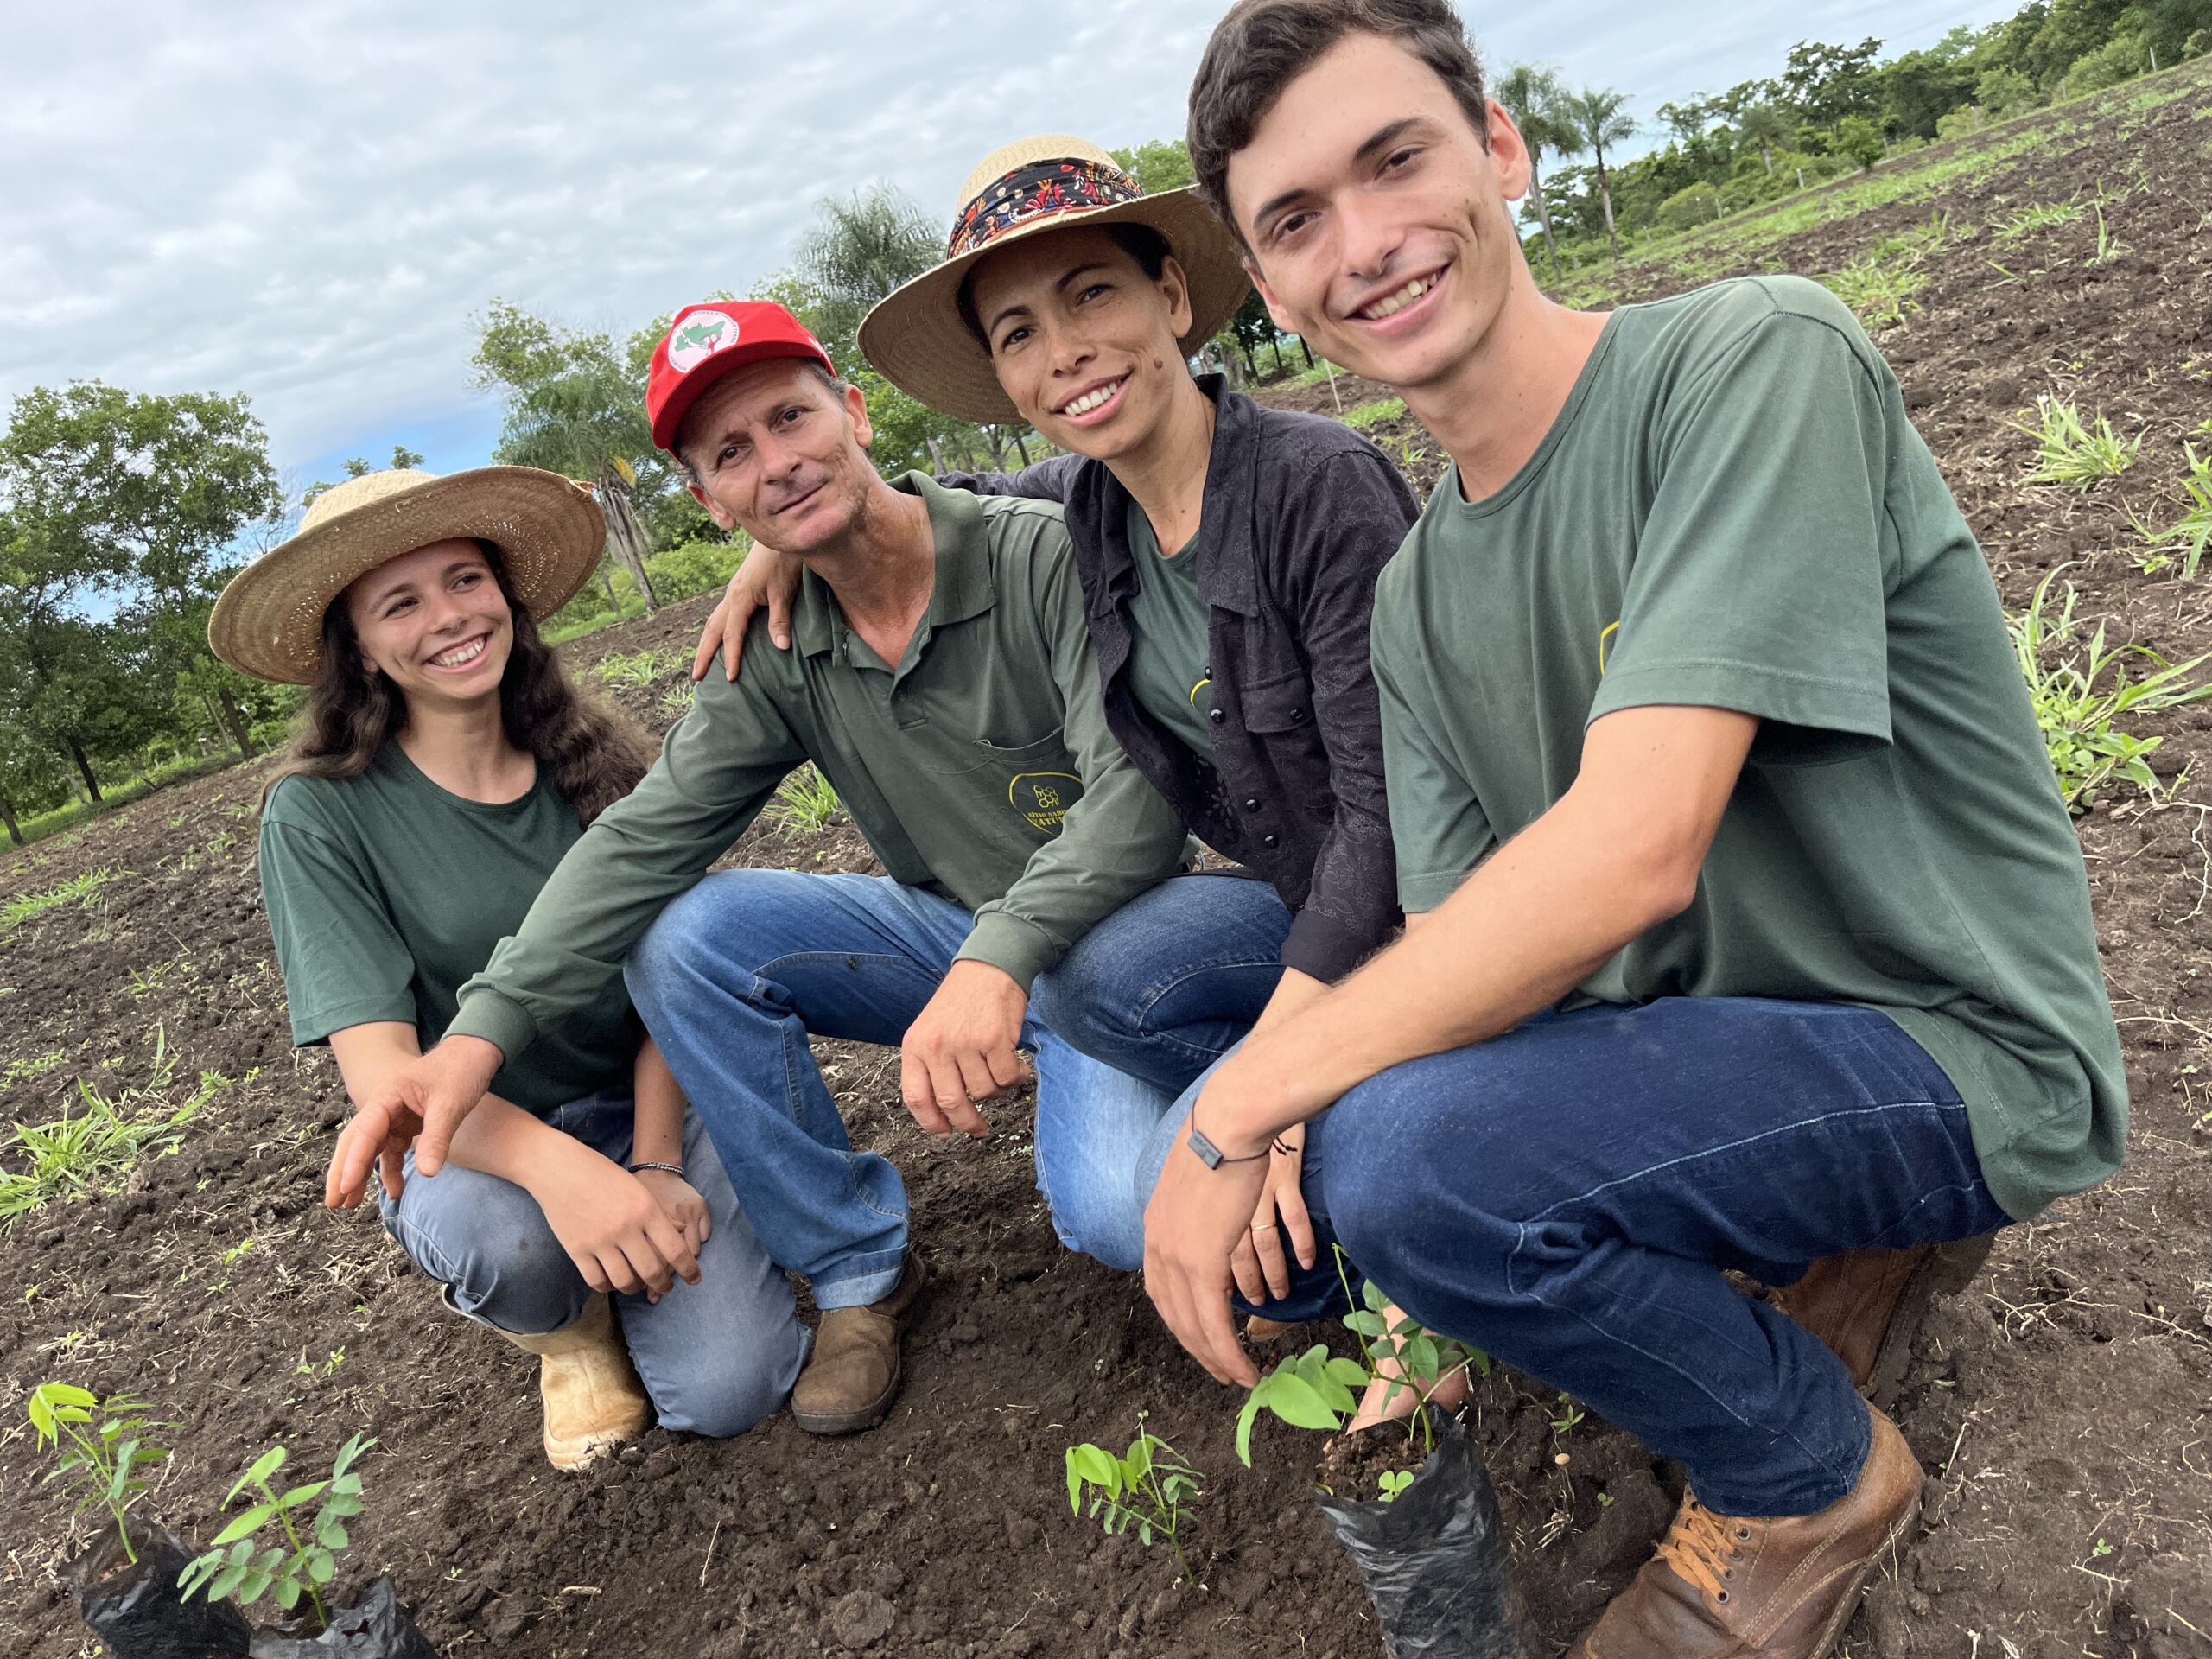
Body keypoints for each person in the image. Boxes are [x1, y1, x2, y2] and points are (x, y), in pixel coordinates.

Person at [1137, 4, 2127, 1656]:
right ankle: (1827, 1255)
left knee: (1394, 1151)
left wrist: (1247, 1105)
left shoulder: (1749, 359)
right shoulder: (1417, 596)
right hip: (1739, 1056)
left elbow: (1637, 848)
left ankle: (1810, 1474)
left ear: (1502, 150)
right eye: (1295, 223)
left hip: (1956, 1050)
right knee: (1384, 1156)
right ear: (1266, 286)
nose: (1364, 244)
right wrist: (1367, 1236)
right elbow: (1485, 964)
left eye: (1396, 161)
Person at [327, 303, 1192, 1437]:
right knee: (683, 931)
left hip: (1115, 945)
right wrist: (474, 1041)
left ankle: (1229, 1088)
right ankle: (859, 1274)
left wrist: (1001, 959)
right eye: (732, 454)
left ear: (856, 412)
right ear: (707, 500)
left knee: (1119, 1216)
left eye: (791, 418)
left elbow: (1138, 798)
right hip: (953, 950)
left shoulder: (1036, 558)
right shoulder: (781, 645)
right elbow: (639, 846)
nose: (775, 462)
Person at [698, 135, 1418, 1306]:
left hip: (1422, 919)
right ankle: (1330, 1163)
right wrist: (773, 549)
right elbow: (931, 510)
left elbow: (1392, 827)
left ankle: (1390, 1191)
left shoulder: (1313, 487)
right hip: (1296, 916)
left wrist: (1276, 1089)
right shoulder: (1084, 506)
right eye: (1020, 330)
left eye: (1092, 292)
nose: (1063, 348)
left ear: (1173, 295)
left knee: (1189, 1167)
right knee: (1099, 1034)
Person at [211, 466, 807, 1470]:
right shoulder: (319, 815)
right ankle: (567, 1335)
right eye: (399, 603)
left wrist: (653, 1165)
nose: (448, 617)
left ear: (506, 595)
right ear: (356, 646)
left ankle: (646, 1251)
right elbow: (390, 1089)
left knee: (732, 1393)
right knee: (516, 1251)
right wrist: (563, 1172)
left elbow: (679, 980)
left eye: (463, 580)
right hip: (478, 1150)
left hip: (652, 1106)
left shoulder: (600, 758)